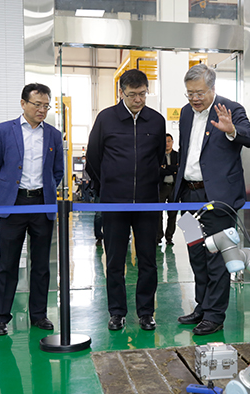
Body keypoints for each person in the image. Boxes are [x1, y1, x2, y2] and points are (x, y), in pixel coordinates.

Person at [173, 64, 250, 335]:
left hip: (218, 198)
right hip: (189, 196)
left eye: (199, 93)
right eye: (190, 93)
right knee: (196, 254)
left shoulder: (230, 108)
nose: (194, 99)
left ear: (212, 88)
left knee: (216, 257)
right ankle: (202, 306)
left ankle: (214, 315)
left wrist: (232, 130)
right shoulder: (186, 113)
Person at [86, 69, 166, 331]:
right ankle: (117, 312)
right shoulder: (106, 119)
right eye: (132, 95)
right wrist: (107, 187)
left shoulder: (156, 121)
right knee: (114, 261)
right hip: (114, 203)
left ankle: (146, 312)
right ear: (121, 93)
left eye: (142, 93)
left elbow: (158, 158)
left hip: (147, 203)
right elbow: (93, 158)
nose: (138, 99)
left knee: (148, 260)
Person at [0, 83, 64, 336]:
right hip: (14, 205)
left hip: (42, 204)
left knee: (41, 265)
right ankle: (1, 317)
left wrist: (45, 191)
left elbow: (58, 171)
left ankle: (39, 315)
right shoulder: (3, 131)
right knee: (7, 263)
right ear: (23, 103)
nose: (42, 110)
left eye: (46, 106)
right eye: (37, 104)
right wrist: (8, 192)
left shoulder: (53, 135)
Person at [157, 133, 179, 246]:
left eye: (169, 141)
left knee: (173, 214)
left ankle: (169, 237)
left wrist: (165, 167)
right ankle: (158, 236)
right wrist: (172, 169)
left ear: (172, 142)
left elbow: (178, 169)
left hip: (173, 188)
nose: (167, 144)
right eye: (165, 141)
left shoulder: (177, 155)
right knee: (158, 213)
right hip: (162, 188)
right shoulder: (158, 156)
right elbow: (158, 171)